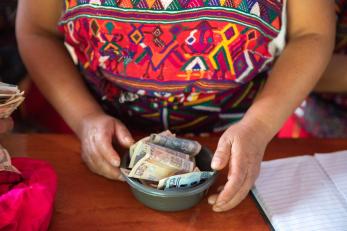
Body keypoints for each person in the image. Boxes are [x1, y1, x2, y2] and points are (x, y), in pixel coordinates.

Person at [16, 0, 341, 212]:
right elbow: (36, 30)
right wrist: (85, 119)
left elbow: (310, 32)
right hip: (105, 139)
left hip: (242, 140)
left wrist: (258, 127)